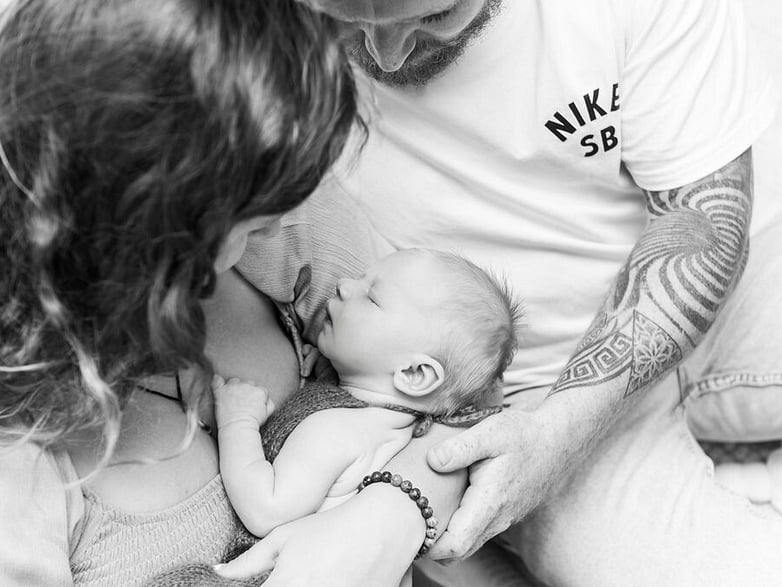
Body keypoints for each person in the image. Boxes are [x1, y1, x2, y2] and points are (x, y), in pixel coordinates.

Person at [219, 0, 782, 585]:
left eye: (435, 17)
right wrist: (531, 439)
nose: (388, 55)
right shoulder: (221, 36)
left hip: (733, 275)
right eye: (346, 19)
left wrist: (569, 424)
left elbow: (702, 217)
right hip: (522, 399)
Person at [0, 0, 361, 584]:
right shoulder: (21, 457)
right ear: (149, 232)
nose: (276, 223)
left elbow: (448, 389)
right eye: (247, 222)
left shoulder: (285, 219)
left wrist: (396, 508)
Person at [212, 249, 521, 580]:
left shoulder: (336, 430)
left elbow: (265, 509)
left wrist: (237, 421)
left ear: (415, 374)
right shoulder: (397, 429)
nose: (345, 286)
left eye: (372, 298)